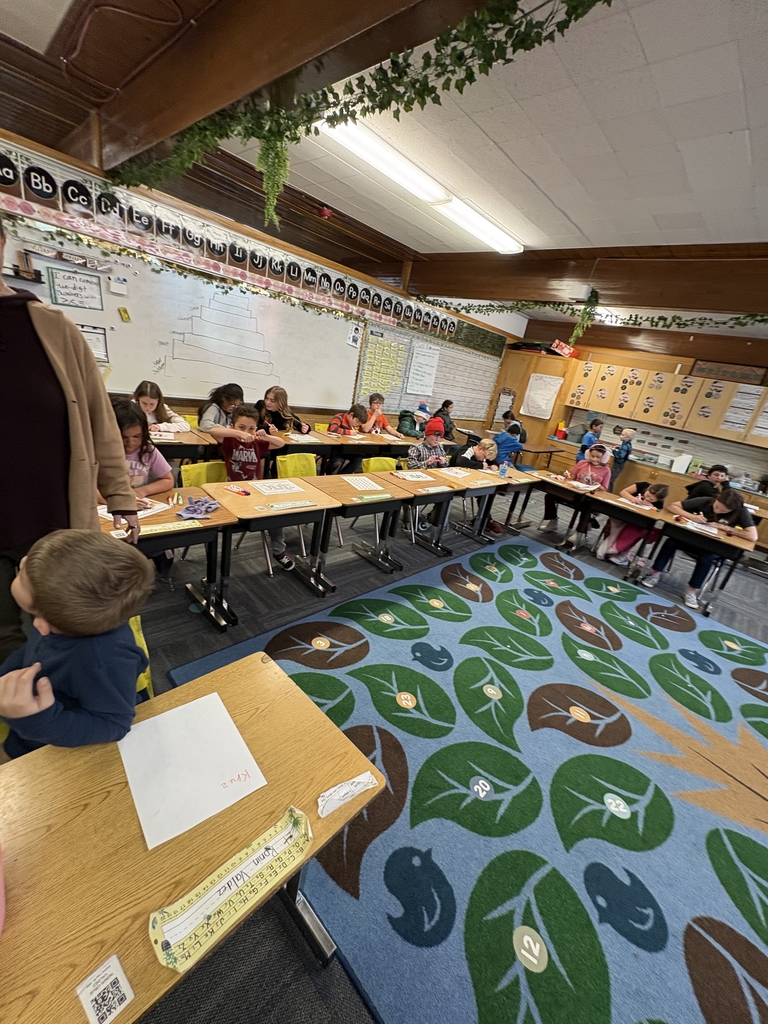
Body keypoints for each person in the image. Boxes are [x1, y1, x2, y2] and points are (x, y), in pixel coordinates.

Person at [0, 216, 137, 662]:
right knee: (5, 649)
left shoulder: (52, 328)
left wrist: (121, 497)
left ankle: (62, 724)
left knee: (64, 639)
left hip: (52, 524)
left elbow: (100, 420)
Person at [0, 530, 154, 758]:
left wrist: (38, 720)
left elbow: (114, 724)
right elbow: (32, 651)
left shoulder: (100, 661)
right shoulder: (61, 619)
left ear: (42, 625)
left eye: (23, 573)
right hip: (26, 723)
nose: (23, 561)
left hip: (52, 745)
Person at [641, 489, 757, 609]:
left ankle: (691, 591)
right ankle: (655, 574)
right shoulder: (707, 501)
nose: (717, 510)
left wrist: (722, 526)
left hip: (714, 547)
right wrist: (691, 517)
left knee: (708, 557)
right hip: (693, 539)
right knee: (671, 542)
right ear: (716, 499)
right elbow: (672, 506)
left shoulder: (741, 511)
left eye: (723, 511)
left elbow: (752, 536)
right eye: (717, 506)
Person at [220, 406, 294, 571]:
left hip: (256, 490)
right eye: (242, 427)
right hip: (234, 492)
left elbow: (281, 443)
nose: (247, 432)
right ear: (232, 426)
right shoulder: (229, 440)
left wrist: (265, 435)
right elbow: (213, 432)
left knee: (276, 513)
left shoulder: (257, 443)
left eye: (251, 428)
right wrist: (237, 434)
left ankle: (279, 552)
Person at [110, 401, 174, 581]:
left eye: (137, 436)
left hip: (139, 509)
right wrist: (117, 501)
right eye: (124, 437)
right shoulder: (104, 453)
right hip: (108, 510)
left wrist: (142, 491)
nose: (131, 442)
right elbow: (91, 488)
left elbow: (168, 479)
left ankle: (158, 558)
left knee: (155, 537)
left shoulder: (147, 451)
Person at [538, 444, 612, 547]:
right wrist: (567, 476)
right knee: (550, 495)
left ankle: (578, 532)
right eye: (592, 456)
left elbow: (604, 488)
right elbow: (571, 478)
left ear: (604, 457)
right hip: (573, 493)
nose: (594, 459)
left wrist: (598, 486)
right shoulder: (582, 463)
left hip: (587, 498)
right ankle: (553, 521)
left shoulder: (606, 470)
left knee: (588, 506)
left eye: (598, 457)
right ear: (588, 455)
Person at [596, 482, 669, 564]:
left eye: (652, 499)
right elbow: (623, 492)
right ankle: (610, 549)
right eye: (647, 495)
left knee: (637, 529)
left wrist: (651, 506)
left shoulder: (659, 503)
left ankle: (620, 551)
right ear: (648, 489)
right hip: (623, 513)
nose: (648, 498)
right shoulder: (643, 485)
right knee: (616, 523)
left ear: (658, 500)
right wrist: (633, 499)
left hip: (637, 521)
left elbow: (657, 513)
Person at [328, 403, 367, 474]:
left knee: (358, 458)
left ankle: (343, 475)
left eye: (359, 424)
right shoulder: (339, 417)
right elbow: (333, 429)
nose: (356, 425)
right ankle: (325, 472)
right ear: (351, 415)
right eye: (356, 422)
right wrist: (349, 432)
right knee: (337, 462)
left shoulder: (351, 425)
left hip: (346, 449)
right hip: (334, 449)